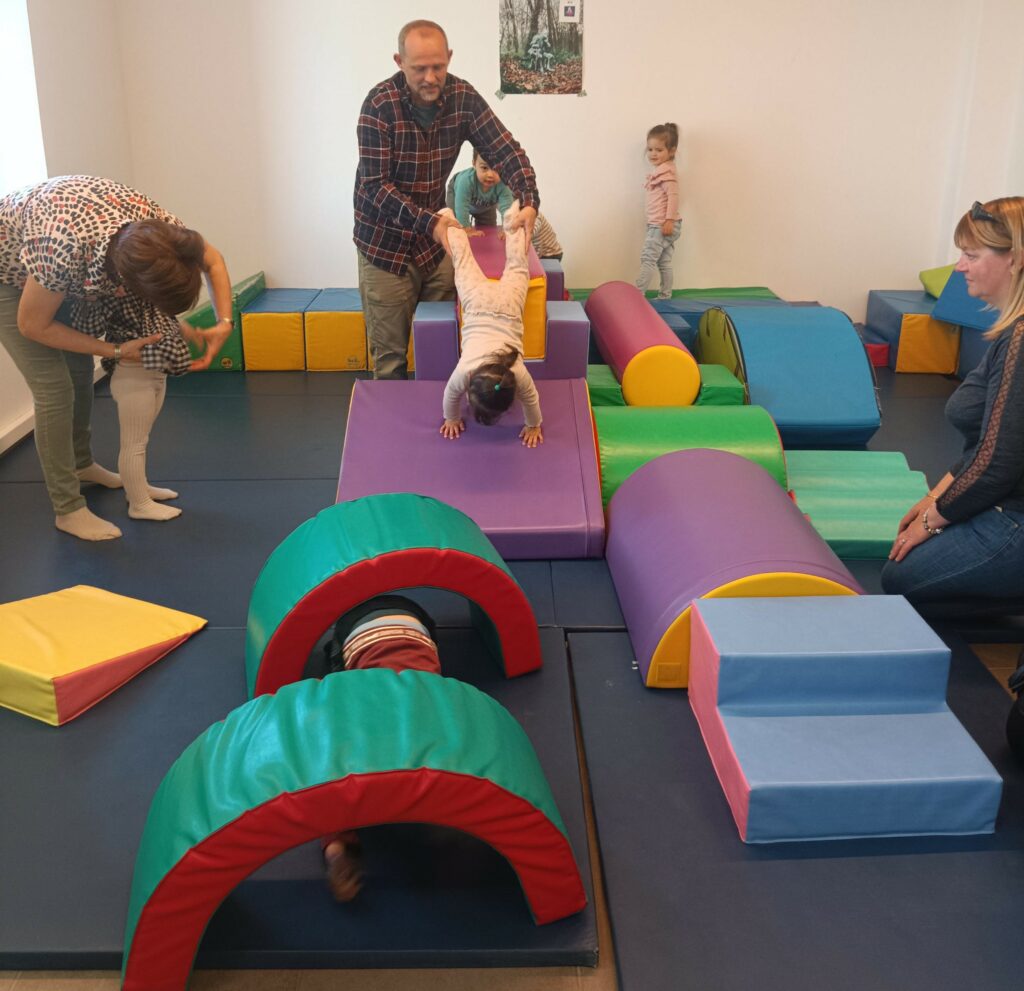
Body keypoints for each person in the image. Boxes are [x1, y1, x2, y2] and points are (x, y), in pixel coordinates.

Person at [0, 175, 233, 541]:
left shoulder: (164, 231)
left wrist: (224, 321)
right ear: (123, 284)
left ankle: (80, 463)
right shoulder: (62, 249)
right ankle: (68, 508)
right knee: (55, 391)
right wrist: (116, 350)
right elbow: (32, 325)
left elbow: (214, 261)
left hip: (64, 254)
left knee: (78, 372)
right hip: (9, 275)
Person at [354, 19, 540, 380]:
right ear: (399, 61)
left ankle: (443, 425)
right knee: (390, 360)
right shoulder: (379, 106)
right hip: (383, 248)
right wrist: (433, 222)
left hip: (433, 245)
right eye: (419, 68)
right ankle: (397, 432)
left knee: (442, 347)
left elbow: (505, 150)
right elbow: (375, 187)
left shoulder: (463, 98)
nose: (429, 77)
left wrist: (529, 198)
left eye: (438, 66)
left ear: (449, 58)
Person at [882, 197, 1024, 606]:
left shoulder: (1020, 339)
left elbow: (998, 463)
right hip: (1003, 499)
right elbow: (985, 443)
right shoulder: (1008, 335)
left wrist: (931, 520)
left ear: (1013, 260)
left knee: (901, 576)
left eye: (970, 255)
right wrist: (933, 500)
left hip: (1015, 517)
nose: (959, 266)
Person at [319, 595, 441, 902]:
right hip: (384, 625)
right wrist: (336, 855)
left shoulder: (358, 740)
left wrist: (337, 853)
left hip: (406, 625)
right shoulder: (360, 736)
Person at [438, 203, 543, 447]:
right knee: (463, 261)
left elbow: (530, 398)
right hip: (477, 302)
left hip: (508, 305)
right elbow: (451, 394)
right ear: (472, 378)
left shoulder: (516, 371)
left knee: (518, 264)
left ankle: (513, 217)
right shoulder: (466, 369)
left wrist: (534, 423)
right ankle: (447, 219)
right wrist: (450, 417)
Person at [447, 150, 564, 260]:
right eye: (484, 168)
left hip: (485, 205)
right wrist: (466, 229)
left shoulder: (502, 184)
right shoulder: (465, 181)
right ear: (474, 164)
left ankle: (483, 258)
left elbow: (507, 208)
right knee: (454, 224)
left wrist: (506, 228)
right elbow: (461, 206)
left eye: (496, 169)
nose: (490, 174)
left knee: (489, 231)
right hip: (458, 196)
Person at [636, 122, 682, 300]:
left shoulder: (666, 173)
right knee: (664, 262)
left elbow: (674, 196)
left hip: (662, 225)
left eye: (659, 150)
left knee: (648, 259)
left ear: (671, 151)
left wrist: (669, 220)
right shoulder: (663, 170)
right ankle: (665, 296)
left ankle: (637, 295)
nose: (653, 154)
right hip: (662, 224)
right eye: (650, 149)